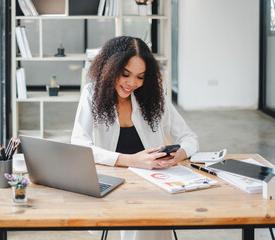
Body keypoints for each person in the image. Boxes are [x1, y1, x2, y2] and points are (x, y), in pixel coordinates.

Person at [71, 36, 199, 240]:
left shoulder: (154, 98)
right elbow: (79, 145)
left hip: (154, 181)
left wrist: (179, 154)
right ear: (110, 68)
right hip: (112, 180)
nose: (132, 83)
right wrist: (131, 160)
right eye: (125, 74)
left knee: (148, 218)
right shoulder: (92, 94)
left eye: (140, 77)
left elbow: (189, 138)